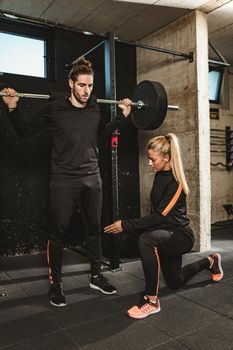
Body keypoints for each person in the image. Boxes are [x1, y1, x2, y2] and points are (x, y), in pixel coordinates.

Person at [1, 57, 132, 307]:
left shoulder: (95, 107)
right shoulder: (55, 108)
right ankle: (56, 284)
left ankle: (95, 275)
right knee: (58, 233)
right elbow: (24, 131)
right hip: (63, 180)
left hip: (92, 177)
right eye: (82, 85)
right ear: (71, 83)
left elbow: (103, 134)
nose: (87, 91)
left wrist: (123, 118)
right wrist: (12, 108)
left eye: (90, 86)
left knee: (94, 229)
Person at [104, 133, 224, 319]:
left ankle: (152, 301)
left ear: (166, 158)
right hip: (165, 235)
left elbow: (159, 217)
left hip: (180, 236)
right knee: (176, 281)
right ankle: (211, 261)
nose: (150, 163)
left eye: (153, 160)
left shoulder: (175, 183)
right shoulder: (159, 175)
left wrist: (125, 225)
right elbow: (158, 218)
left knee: (146, 239)